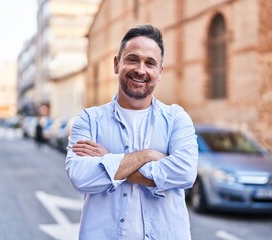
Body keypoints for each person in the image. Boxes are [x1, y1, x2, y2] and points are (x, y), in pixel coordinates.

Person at [65, 24, 198, 240]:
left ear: (160, 72)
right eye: (133, 59)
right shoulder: (89, 120)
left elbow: (185, 172)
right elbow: (81, 177)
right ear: (117, 64)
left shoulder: (176, 119)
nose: (141, 70)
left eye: (150, 63)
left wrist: (108, 160)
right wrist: (146, 156)